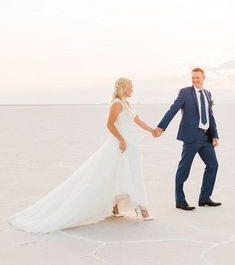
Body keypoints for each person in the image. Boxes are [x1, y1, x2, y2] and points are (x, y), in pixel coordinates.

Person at [9, 77, 154, 234]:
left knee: (123, 173)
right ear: (124, 88)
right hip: (120, 145)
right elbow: (109, 125)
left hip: (130, 145)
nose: (133, 90)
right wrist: (121, 140)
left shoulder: (126, 104)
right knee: (118, 174)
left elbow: (137, 120)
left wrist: (153, 130)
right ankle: (143, 210)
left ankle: (115, 207)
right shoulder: (117, 103)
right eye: (131, 87)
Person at [153, 68, 221, 211]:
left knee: (213, 166)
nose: (195, 80)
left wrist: (215, 135)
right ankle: (180, 200)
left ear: (204, 78)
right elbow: (173, 109)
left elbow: (210, 116)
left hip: (206, 137)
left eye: (198, 77)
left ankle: (204, 198)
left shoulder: (208, 94)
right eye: (193, 77)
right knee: (184, 169)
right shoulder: (185, 92)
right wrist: (161, 127)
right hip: (191, 137)